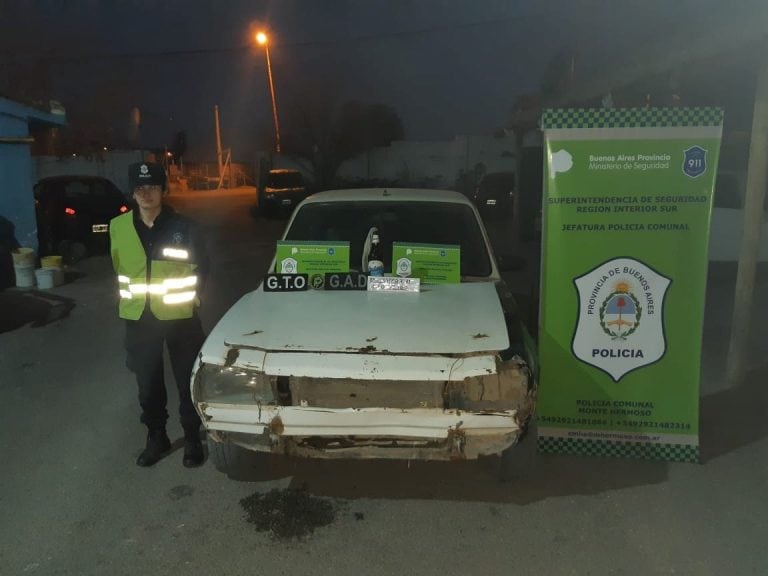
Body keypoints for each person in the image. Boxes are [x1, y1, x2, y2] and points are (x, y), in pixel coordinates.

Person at [110, 162, 209, 468]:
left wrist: (187, 299)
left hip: (181, 318)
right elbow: (117, 266)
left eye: (153, 187)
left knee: (187, 380)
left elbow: (203, 268)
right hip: (140, 319)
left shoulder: (185, 227)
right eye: (140, 188)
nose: (147, 194)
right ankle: (157, 436)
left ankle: (192, 437)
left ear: (163, 190)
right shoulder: (118, 227)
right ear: (133, 192)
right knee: (148, 383)